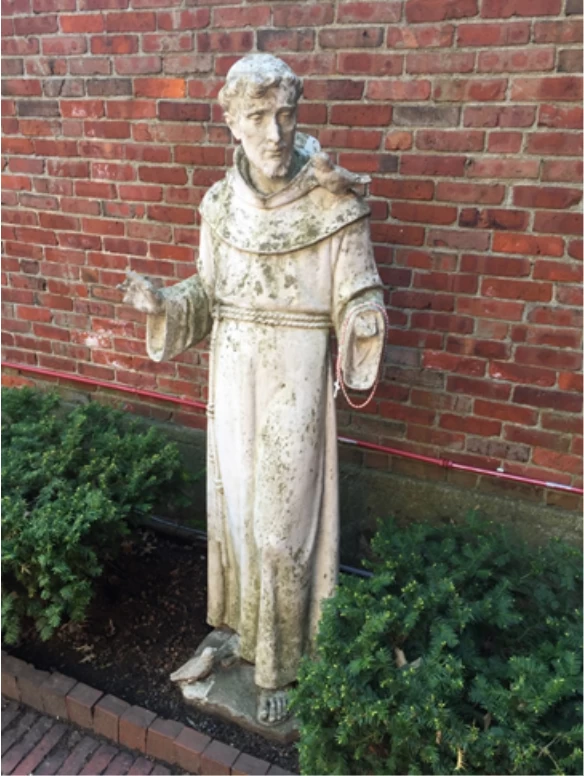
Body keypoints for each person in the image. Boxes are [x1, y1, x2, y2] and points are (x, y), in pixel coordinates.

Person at [120, 53, 387, 726]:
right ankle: (241, 642)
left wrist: (364, 320)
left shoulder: (333, 201)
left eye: (286, 115)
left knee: (281, 528)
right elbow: (208, 294)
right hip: (233, 371)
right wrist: (163, 304)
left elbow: (359, 292)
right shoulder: (218, 206)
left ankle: (284, 665)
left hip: (295, 369)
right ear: (231, 124)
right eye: (258, 118)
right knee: (237, 520)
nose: (276, 133)